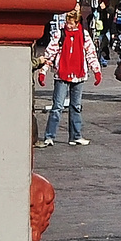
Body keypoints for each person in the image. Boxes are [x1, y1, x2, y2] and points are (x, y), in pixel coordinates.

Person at [38, 9, 101, 147]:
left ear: (77, 23)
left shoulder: (84, 35)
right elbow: (50, 53)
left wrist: (96, 70)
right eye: (67, 22)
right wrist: (43, 71)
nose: (69, 25)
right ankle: (49, 136)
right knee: (57, 107)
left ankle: (75, 136)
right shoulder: (60, 34)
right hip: (62, 74)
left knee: (76, 106)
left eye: (71, 23)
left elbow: (91, 53)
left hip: (79, 74)